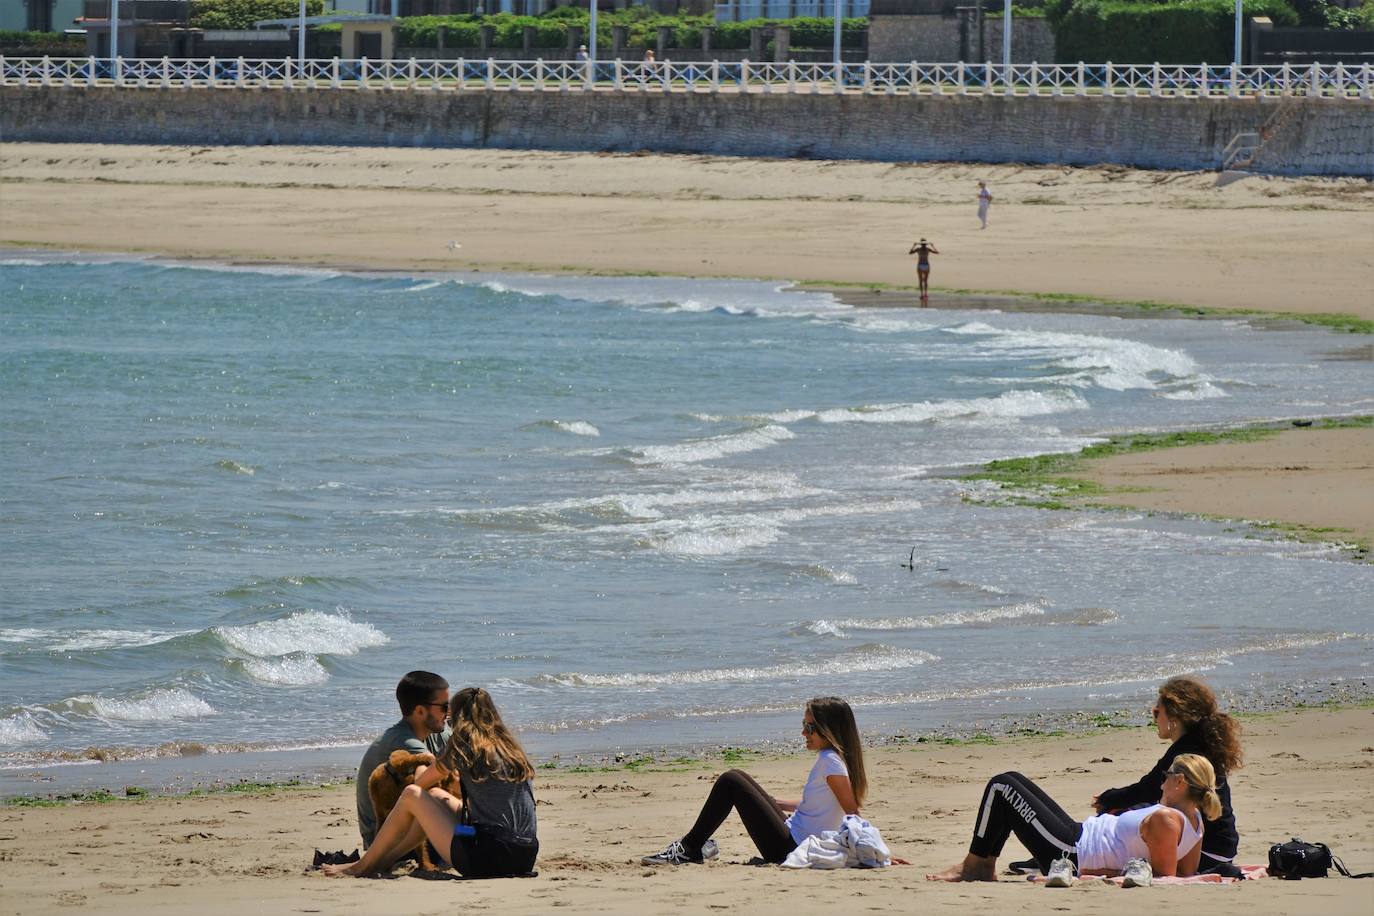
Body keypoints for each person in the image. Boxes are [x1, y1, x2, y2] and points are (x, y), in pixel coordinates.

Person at [326, 687, 539, 878]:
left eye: (450, 719)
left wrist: (418, 764)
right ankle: (386, 860)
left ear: (458, 719)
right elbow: (467, 791)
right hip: (525, 854)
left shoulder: (463, 744)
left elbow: (421, 782)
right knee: (436, 797)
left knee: (411, 795)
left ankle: (362, 866)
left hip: (487, 858)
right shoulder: (511, 749)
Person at [927, 753, 1222, 884]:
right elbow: (1187, 876)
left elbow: (1165, 879)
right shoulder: (1195, 822)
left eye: (1166, 776)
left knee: (1002, 785)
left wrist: (1097, 875)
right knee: (1011, 780)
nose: (1161, 783)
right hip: (1078, 836)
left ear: (1180, 782)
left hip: (1072, 852)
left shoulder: (1168, 821)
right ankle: (982, 865)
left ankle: (974, 866)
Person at [640, 696, 867, 865]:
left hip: (790, 848)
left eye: (809, 727)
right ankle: (697, 845)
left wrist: (872, 853)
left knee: (730, 781)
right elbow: (821, 807)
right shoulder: (833, 760)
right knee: (739, 776)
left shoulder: (830, 762)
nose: (803, 733)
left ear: (829, 730)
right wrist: (772, 802)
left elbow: (852, 814)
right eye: (803, 725)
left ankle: (689, 848)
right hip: (794, 835)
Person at [1092, 676, 1243, 871]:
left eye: (1157, 712)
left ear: (1174, 716)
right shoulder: (1202, 744)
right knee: (1136, 812)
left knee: (1119, 815)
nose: (1155, 719)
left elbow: (1147, 789)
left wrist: (1107, 799)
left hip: (1206, 854)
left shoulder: (1184, 753)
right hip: (1224, 849)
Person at [355, 670, 452, 848]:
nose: (448, 713)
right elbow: (443, 775)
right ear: (420, 710)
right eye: (444, 707)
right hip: (385, 839)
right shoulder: (401, 741)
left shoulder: (434, 732)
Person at [908, 238, 939, 302]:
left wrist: (913, 246)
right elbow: (937, 252)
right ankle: (925, 294)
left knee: (921, 281)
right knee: (925, 281)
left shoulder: (919, 249)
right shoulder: (927, 249)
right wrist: (933, 246)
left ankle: (923, 294)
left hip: (921, 265)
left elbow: (910, 253)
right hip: (926, 265)